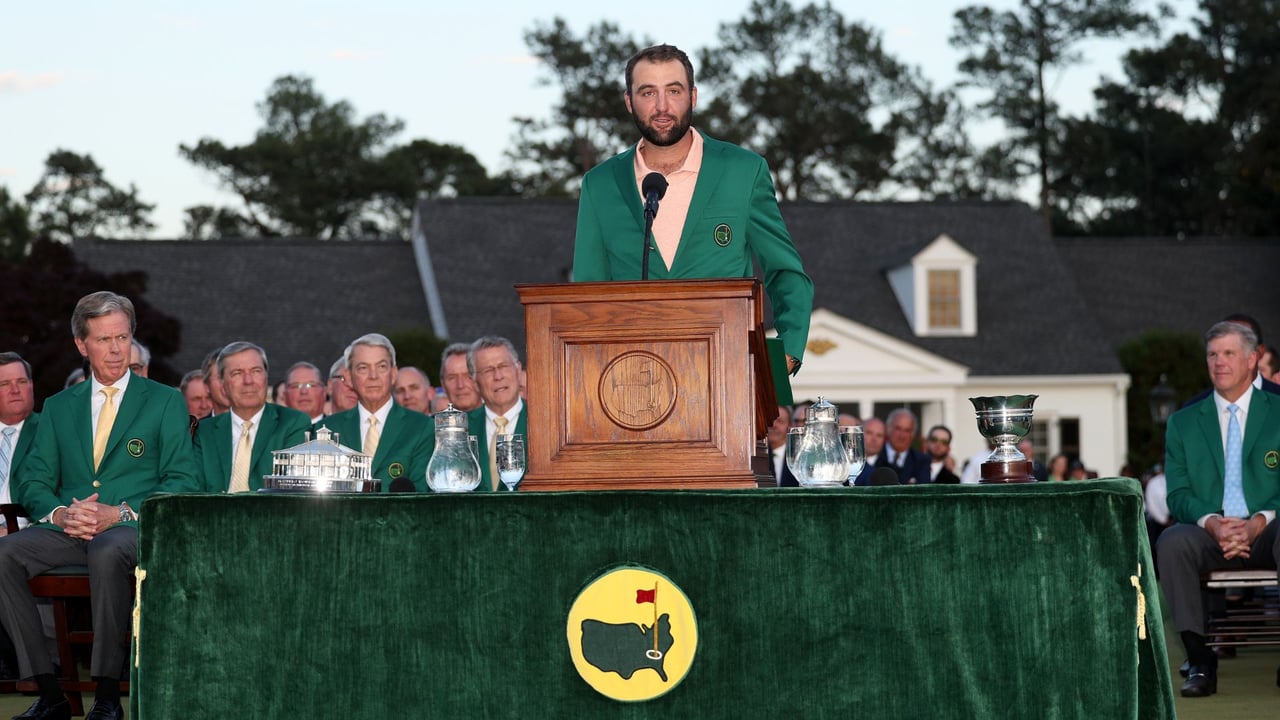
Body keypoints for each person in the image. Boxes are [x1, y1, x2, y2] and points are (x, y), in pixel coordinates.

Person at [0, 291, 198, 720]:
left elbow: (183, 480)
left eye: (122, 338)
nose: (115, 350)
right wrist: (60, 514)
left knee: (106, 551)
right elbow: (32, 479)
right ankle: (49, 693)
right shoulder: (58, 407)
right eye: (104, 339)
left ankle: (108, 696)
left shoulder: (164, 400)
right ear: (81, 344)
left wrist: (120, 512)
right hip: (69, 529)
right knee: (3, 555)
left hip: (131, 528)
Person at [571, 43, 813, 375]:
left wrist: (787, 353)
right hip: (632, 382)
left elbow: (786, 272)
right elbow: (587, 296)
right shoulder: (599, 184)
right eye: (647, 93)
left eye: (674, 91)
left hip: (728, 375)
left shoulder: (744, 171)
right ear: (629, 101)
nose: (662, 106)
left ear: (693, 96)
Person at [1156, 321, 1280, 698]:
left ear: (1252, 360)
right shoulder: (1183, 423)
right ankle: (1200, 662)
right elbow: (1178, 494)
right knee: (1172, 541)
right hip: (1210, 533)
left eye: (1228, 353)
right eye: (1212, 354)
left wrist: (1259, 521)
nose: (1219, 362)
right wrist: (1212, 523)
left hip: (1270, 529)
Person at [192, 343, 311, 493]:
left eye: (256, 371)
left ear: (266, 377)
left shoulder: (293, 423)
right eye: (237, 373)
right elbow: (194, 490)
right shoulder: (204, 432)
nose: (248, 381)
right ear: (223, 384)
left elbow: (290, 491)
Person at [321, 334, 432, 491]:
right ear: (349, 377)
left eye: (381, 367)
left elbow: (421, 494)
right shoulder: (327, 429)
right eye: (363, 368)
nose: (373, 376)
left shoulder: (422, 428)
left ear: (394, 374)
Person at [466, 336, 528, 492]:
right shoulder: (461, 428)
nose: (498, 376)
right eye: (488, 370)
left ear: (518, 370)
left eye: (503, 366)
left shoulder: (546, 423)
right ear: (474, 382)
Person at [875, 408, 931, 485]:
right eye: (898, 429)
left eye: (907, 430)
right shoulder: (874, 456)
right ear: (888, 428)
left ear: (913, 434)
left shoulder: (922, 461)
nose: (902, 436)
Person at [439, 343, 481, 412]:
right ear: (443, 384)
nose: (460, 385)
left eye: (468, 377)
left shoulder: (499, 416)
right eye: (452, 378)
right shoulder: (434, 419)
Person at [766, 404, 797, 487]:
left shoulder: (798, 456)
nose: (773, 425)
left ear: (790, 426)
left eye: (780, 421)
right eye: (769, 421)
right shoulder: (754, 457)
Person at [852, 417, 886, 486]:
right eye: (869, 433)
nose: (874, 439)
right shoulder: (847, 464)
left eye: (879, 435)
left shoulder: (888, 467)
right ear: (858, 434)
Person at [200, 347, 231, 416]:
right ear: (207, 386)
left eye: (233, 375)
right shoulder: (200, 423)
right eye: (220, 377)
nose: (227, 383)